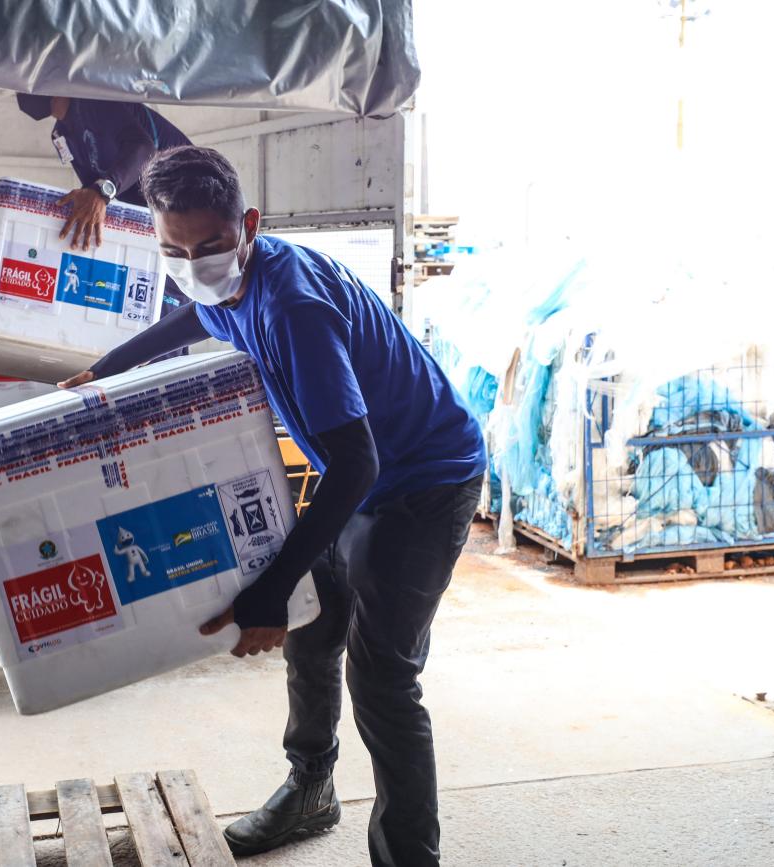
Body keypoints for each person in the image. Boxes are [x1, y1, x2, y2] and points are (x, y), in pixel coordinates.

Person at [59, 146, 486, 867]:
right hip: (364, 476)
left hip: (425, 480)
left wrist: (271, 587)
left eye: (209, 247)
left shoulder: (293, 308)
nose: (194, 265)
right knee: (313, 632)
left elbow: (357, 463)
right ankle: (310, 788)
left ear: (249, 225)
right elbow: (193, 317)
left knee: (382, 677)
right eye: (174, 251)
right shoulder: (229, 284)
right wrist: (103, 372)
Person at [17, 93, 193, 320]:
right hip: (154, 221)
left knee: (167, 303)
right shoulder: (60, 135)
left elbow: (143, 148)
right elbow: (91, 187)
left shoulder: (95, 100)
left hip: (186, 202)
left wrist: (103, 191)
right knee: (147, 307)